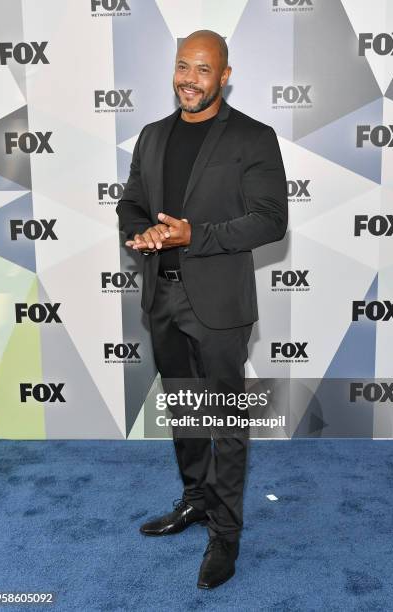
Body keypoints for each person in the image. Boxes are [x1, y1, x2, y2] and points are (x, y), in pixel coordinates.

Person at [116, 29, 288, 589]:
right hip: (161, 296)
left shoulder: (253, 138)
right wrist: (140, 233)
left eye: (203, 70)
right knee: (187, 412)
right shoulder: (152, 135)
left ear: (225, 75)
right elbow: (132, 202)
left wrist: (195, 236)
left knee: (226, 423)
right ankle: (194, 500)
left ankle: (226, 532)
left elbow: (270, 220)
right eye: (182, 67)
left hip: (217, 304)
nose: (189, 79)